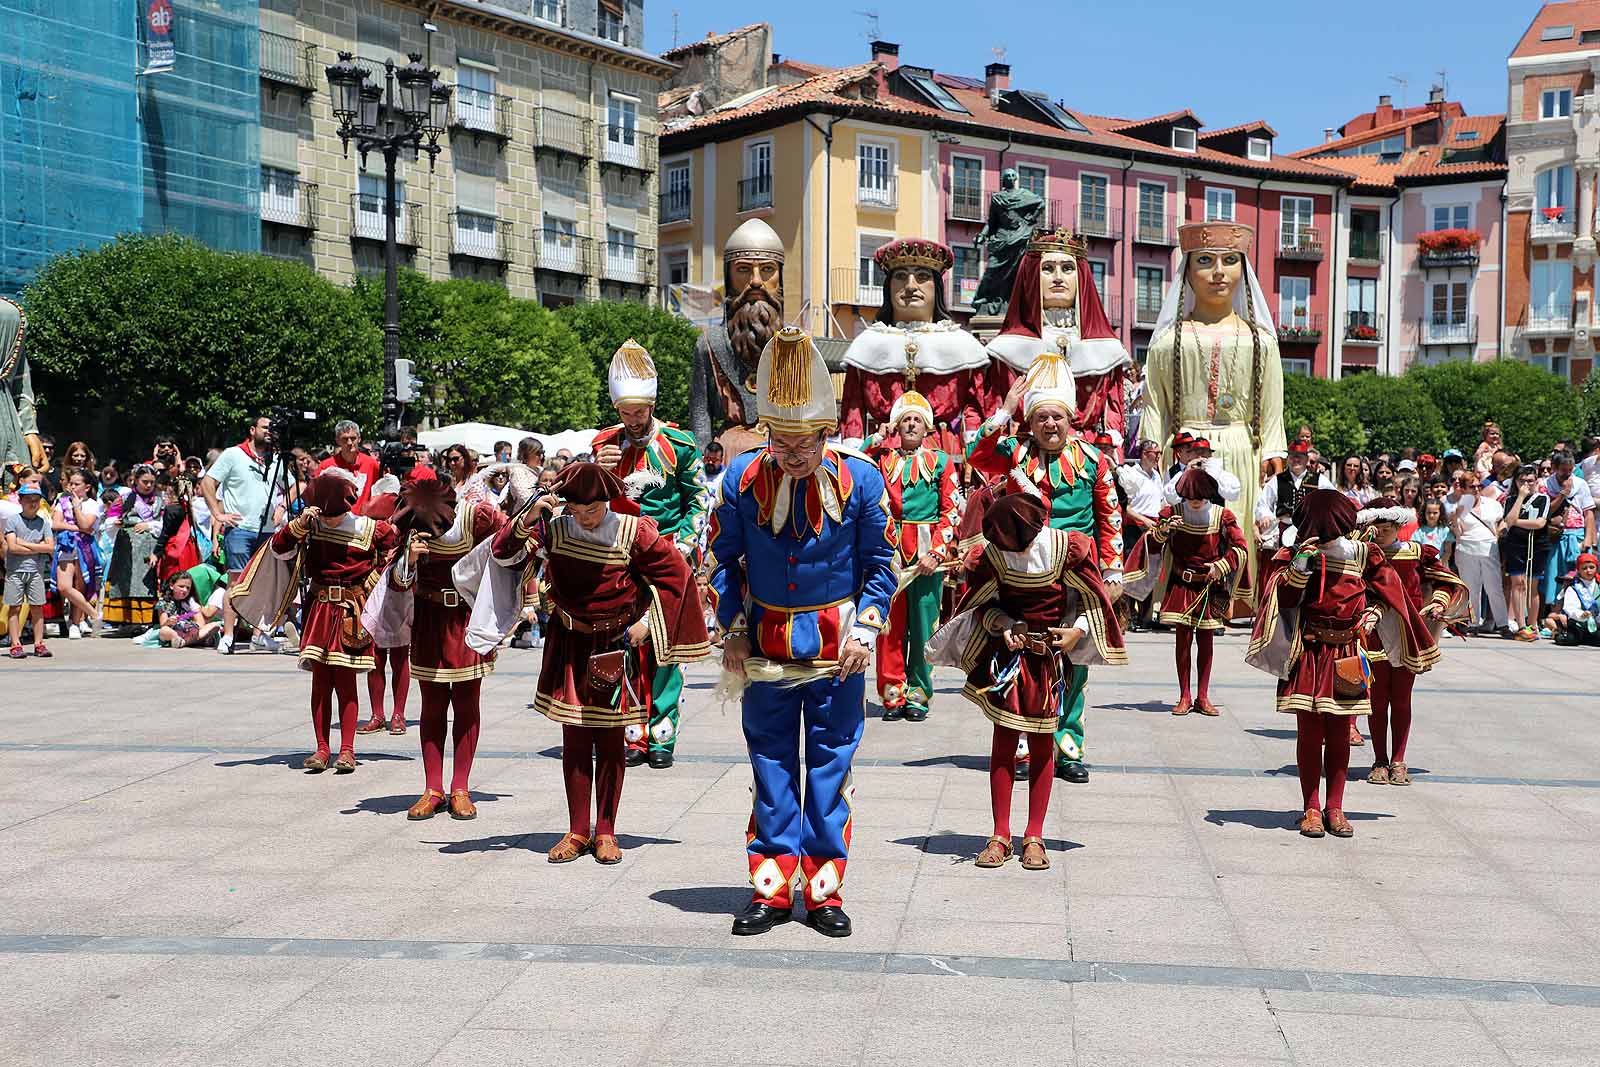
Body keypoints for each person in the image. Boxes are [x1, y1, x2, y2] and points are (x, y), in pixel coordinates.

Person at [709, 326, 896, 938]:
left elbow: (880, 567)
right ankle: (770, 885)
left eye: (804, 443)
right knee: (770, 765)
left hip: (837, 651)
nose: (792, 454)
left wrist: (865, 630)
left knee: (829, 768)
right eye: (781, 441)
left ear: (826, 433)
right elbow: (720, 561)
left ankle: (823, 891)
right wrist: (733, 626)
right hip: (764, 648)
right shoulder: (739, 480)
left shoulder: (863, 481)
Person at [493, 462, 708, 864]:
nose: (585, 517)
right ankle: (576, 831)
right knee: (574, 737)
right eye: (577, 509)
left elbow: (676, 576)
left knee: (610, 739)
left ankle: (606, 832)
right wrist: (529, 516)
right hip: (569, 643)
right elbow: (503, 552)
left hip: (616, 645)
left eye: (592, 510)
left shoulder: (634, 530)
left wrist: (648, 622)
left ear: (607, 502)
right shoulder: (554, 528)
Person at [930, 493, 1125, 871]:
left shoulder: (1066, 548)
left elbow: (1093, 599)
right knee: (1003, 743)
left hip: (1049, 663)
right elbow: (982, 605)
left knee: (1041, 746)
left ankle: (1034, 834)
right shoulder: (994, 554)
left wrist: (1076, 632)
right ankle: (999, 834)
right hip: (1009, 662)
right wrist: (1005, 625)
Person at [968, 351, 1123, 784]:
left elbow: (1109, 516)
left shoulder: (1095, 460)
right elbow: (974, 453)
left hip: (1076, 577)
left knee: (1074, 661)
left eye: (1057, 417)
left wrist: (1111, 572)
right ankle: (1019, 740)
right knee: (1018, 653)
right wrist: (1004, 411)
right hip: (1023, 576)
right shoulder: (1014, 453)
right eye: (1041, 418)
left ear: (1070, 418)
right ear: (1031, 421)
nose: (1050, 425)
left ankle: (1068, 744)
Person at [1246, 489, 1437, 838]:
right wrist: (1302, 562)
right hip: (1308, 652)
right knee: (1309, 734)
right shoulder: (1294, 554)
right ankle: (1310, 809)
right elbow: (1283, 597)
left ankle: (1335, 807)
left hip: (1347, 654)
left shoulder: (1363, 553)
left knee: (1338, 734)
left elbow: (1392, 588)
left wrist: (1375, 612)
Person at [1142, 222, 1286, 594]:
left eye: (1230, 260)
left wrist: (1273, 448)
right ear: (1188, 271)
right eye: (1205, 260)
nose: (1219, 272)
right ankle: (1181, 594)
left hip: (1240, 446)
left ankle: (1237, 596)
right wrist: (1151, 453)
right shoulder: (1167, 341)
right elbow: (1155, 406)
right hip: (1187, 447)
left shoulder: (1261, 342)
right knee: (1189, 528)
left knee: (1235, 526)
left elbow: (1272, 404)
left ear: (1243, 269)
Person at [591, 339, 708, 770]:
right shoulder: (603, 443)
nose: (633, 420)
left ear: (653, 404)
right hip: (620, 558)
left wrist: (682, 549)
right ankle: (631, 729)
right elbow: (587, 503)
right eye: (626, 413)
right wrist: (597, 473)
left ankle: (662, 731)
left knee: (664, 646)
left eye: (640, 412)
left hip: (667, 556)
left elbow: (700, 499)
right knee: (622, 643)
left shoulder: (679, 443)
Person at [235, 469, 399, 773]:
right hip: (319, 608)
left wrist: (372, 581)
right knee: (321, 682)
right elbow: (279, 548)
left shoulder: (368, 528)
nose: (331, 520)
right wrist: (298, 525)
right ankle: (322, 748)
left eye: (335, 514)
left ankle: (347, 750)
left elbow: (394, 550)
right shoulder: (310, 525)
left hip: (352, 610)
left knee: (347, 681)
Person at [388, 469, 506, 820]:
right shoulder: (409, 522)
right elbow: (396, 582)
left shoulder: (477, 516)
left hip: (466, 620)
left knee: (467, 703)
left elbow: (508, 547)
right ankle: (432, 788)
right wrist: (409, 558)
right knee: (433, 706)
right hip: (428, 619)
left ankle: (460, 787)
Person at [986, 228, 1132, 451]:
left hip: (1089, 454)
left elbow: (1113, 414)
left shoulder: (1107, 350)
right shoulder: (1007, 349)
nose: (1058, 278)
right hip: (1025, 453)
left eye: (1067, 269)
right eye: (1047, 269)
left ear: (1080, 278)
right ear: (1032, 278)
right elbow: (995, 407)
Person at [862, 391, 960, 721]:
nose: (912, 424)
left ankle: (918, 694)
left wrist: (936, 551)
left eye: (917, 419)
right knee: (889, 628)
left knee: (923, 630)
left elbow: (952, 508)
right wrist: (880, 434)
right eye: (906, 420)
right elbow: (852, 459)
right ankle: (892, 694)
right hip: (889, 556)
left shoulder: (942, 462)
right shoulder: (883, 459)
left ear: (927, 427)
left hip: (926, 560)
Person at [1356, 496, 1466, 786]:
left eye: (1386, 525)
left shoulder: (1416, 552)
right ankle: (1379, 760)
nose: (1380, 530)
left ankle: (1399, 760)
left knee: (1402, 700)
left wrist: (1439, 603)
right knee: (1377, 701)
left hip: (1407, 633)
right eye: (1375, 525)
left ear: (1398, 524)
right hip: (1375, 633)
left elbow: (1446, 580)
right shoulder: (1363, 555)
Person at [839, 237, 988, 445]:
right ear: (888, 287)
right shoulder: (867, 346)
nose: (910, 286)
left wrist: (975, 453)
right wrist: (854, 458)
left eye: (922, 276)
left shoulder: (963, 346)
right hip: (883, 455)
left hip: (944, 455)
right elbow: (852, 413)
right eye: (900, 276)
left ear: (936, 287)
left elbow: (975, 411)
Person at [1138, 466, 1249, 716]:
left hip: (1209, 586)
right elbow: (1153, 545)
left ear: (1208, 495)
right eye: (1190, 498)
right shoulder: (1172, 514)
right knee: (1183, 641)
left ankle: (1203, 696)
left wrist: (1222, 565)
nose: (1195, 502)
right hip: (1181, 585)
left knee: (1207, 642)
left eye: (1199, 498)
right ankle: (1184, 696)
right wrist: (1163, 530)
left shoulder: (1222, 515)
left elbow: (1240, 547)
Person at [690, 217, 787, 450]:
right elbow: (700, 414)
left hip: (782, 453)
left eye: (767, 270)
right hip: (727, 455)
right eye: (743, 269)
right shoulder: (709, 344)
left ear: (780, 277)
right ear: (729, 275)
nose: (755, 281)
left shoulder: (795, 344)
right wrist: (701, 465)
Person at [201, 416, 288, 654]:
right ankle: (228, 634)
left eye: (273, 428)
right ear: (252, 430)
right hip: (239, 529)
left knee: (265, 585)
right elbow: (207, 483)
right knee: (236, 583)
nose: (270, 432)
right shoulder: (233, 455)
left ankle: (259, 635)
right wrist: (217, 514)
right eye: (265, 427)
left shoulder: (277, 459)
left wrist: (281, 508)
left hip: (267, 530)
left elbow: (292, 485)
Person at [359, 474, 409, 735]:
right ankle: (378, 714)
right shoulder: (369, 518)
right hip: (373, 589)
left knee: (399, 656)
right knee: (375, 657)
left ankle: (398, 714)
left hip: (399, 590)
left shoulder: (407, 519)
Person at [1447, 471, 1508, 635]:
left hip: (1488, 547)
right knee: (1471, 588)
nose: (1476, 489)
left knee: (1494, 586)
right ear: (1464, 488)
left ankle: (1503, 624)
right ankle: (1472, 623)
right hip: (1466, 547)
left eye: (1478, 486)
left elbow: (1500, 524)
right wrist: (1455, 517)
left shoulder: (1492, 504)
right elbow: (1457, 533)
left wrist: (1499, 534)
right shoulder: (1457, 506)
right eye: (1471, 486)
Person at [1116, 440, 1167, 631]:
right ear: (1145, 454)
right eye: (1155, 453)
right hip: (1135, 527)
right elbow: (1125, 507)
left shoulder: (1156, 476)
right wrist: (1144, 521)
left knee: (1151, 571)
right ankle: (1128, 616)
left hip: (1154, 528)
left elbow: (1160, 502)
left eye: (1159, 453)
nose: (1158, 457)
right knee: (1131, 572)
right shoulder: (1130, 474)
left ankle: (1145, 616)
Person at [1499, 465, 1553, 641]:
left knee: (1533, 586)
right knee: (1518, 583)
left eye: (1530, 481)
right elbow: (1508, 520)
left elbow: (1539, 523)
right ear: (1516, 481)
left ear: (1536, 481)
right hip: (1516, 544)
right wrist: (1521, 497)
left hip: (1538, 544)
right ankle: (1521, 625)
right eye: (1522, 481)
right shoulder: (1511, 500)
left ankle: (1533, 623)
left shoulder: (1543, 499)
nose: (1526, 484)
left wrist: (1517, 522)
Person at [1255, 440, 1333, 559]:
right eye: (1293, 456)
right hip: (1283, 532)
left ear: (1306, 459)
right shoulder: (1277, 480)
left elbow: (1333, 501)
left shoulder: (1320, 480)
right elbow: (1263, 504)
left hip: (1310, 532)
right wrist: (1265, 515)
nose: (1296, 460)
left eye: (1300, 456)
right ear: (1288, 459)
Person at [1541, 449, 1597, 615]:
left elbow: (1589, 514)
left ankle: (1574, 613)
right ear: (1555, 468)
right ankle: (1554, 613)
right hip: (1555, 537)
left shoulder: (1581, 484)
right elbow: (1545, 511)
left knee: (1574, 577)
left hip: (1577, 534)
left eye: (1570, 469)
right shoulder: (1545, 485)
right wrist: (1563, 493)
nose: (1567, 474)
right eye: (1563, 470)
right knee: (1554, 576)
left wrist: (1588, 541)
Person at [4, 483, 54, 658]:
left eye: (36, 500)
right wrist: (37, 547)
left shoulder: (43, 522)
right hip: (15, 570)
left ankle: (39, 643)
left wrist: (23, 543)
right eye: (28, 500)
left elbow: (50, 547)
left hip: (36, 571)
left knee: (37, 607)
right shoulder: (13, 520)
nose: (32, 503)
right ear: (21, 501)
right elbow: (12, 547)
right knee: (14, 607)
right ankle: (15, 644)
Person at [51, 469, 101, 638]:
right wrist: (76, 528)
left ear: (87, 487)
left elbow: (87, 525)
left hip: (85, 547)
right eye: (70, 483)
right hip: (66, 545)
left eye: (76, 484)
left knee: (81, 585)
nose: (71, 486)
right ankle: (93, 614)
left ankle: (75, 623)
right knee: (64, 586)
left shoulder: (93, 504)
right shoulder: (62, 501)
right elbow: (56, 524)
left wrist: (77, 507)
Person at [315, 420, 382, 514]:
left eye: (353, 438)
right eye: (345, 439)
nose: (350, 442)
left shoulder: (372, 464)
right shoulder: (326, 466)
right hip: (336, 522)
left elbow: (380, 491)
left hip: (364, 522)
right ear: (337, 440)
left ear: (359, 439)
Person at [154, 572, 221, 649]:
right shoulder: (164, 602)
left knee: (215, 625)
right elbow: (163, 624)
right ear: (171, 585)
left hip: (190, 632)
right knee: (164, 631)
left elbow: (201, 624)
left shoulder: (190, 601)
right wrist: (169, 621)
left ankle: (184, 642)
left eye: (188, 588)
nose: (185, 590)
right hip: (173, 631)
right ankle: (189, 641)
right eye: (181, 586)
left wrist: (193, 628)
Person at [1545, 552, 1600, 645]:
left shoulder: (1598, 586)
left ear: (1596, 569)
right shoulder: (1573, 587)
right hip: (1578, 623)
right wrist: (1582, 615)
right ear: (1578, 570)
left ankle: (1587, 638)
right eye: (1584, 568)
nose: (1588, 571)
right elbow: (1569, 607)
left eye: (1591, 567)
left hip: (1596, 624)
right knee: (1568, 639)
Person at [1415, 498, 1455, 568]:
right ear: (1424, 513)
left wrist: (1439, 564)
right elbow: (1416, 550)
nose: (1431, 516)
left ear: (1440, 513)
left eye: (1435, 513)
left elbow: (1448, 551)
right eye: (1429, 512)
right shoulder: (1419, 531)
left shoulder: (1445, 530)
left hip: (1441, 566)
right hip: (1424, 566)